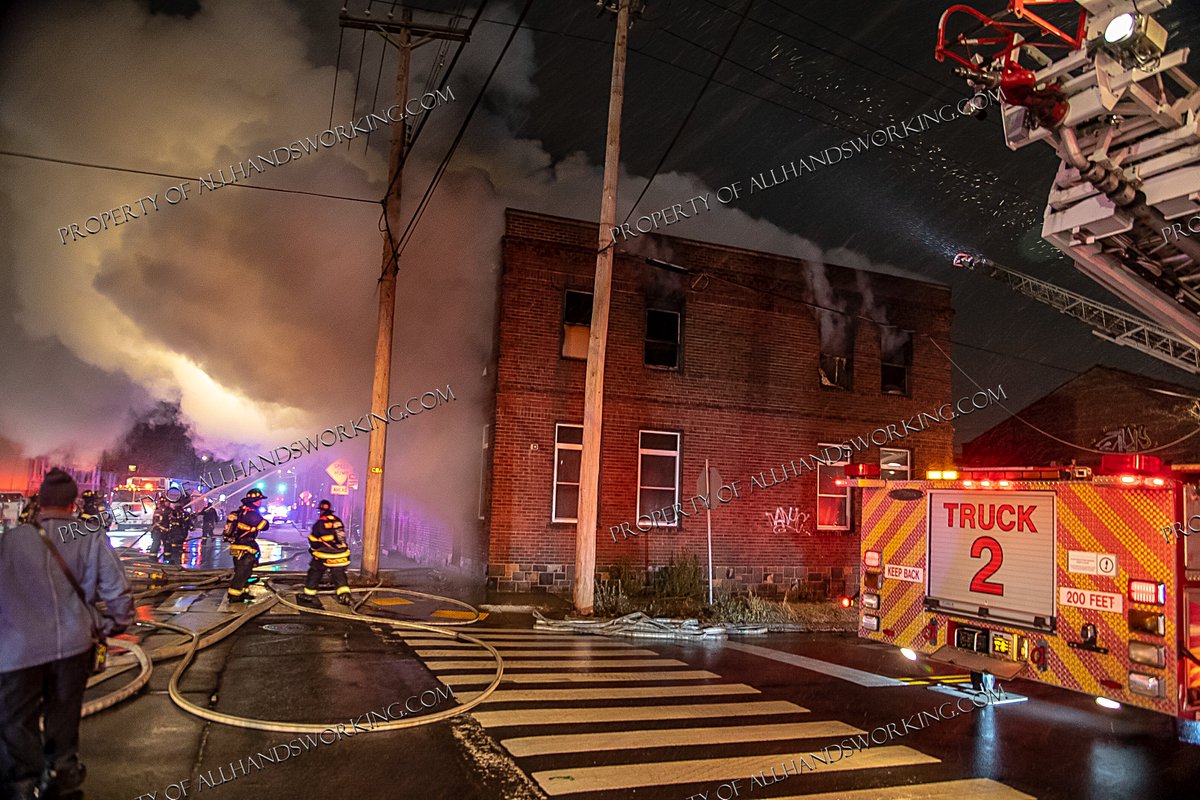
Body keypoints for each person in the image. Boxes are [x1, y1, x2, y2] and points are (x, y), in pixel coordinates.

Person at [0, 468, 134, 800]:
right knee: (63, 711)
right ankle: (62, 772)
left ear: (39, 502)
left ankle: (23, 783)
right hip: (73, 646)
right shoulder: (88, 536)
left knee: (16, 719)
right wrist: (115, 622)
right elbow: (117, 589)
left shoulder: (11, 540)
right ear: (74, 503)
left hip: (16, 649)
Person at [298, 500, 352, 608]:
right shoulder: (338, 521)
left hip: (325, 555)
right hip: (342, 554)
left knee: (315, 571)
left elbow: (313, 540)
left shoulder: (320, 523)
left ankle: (309, 594)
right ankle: (344, 595)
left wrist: (313, 550)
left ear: (321, 510)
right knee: (339, 575)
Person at [222, 489, 269, 605]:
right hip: (246, 546)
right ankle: (234, 595)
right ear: (254, 501)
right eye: (258, 500)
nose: (260, 502)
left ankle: (242, 591)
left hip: (238, 545)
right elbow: (265, 525)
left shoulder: (240, 512)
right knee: (242, 572)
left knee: (244, 571)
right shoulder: (252, 514)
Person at [161, 497, 192, 566]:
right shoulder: (174, 513)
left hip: (173, 533)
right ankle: (174, 561)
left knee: (172, 548)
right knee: (175, 548)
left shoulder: (173, 513)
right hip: (176, 534)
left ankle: (170, 561)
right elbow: (186, 523)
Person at [146, 496, 170, 561]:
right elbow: (156, 523)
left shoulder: (167, 510)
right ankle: (152, 559)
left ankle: (167, 558)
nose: (169, 503)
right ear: (164, 502)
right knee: (157, 543)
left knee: (166, 544)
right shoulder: (159, 511)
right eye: (167, 501)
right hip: (158, 531)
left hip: (164, 531)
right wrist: (164, 529)